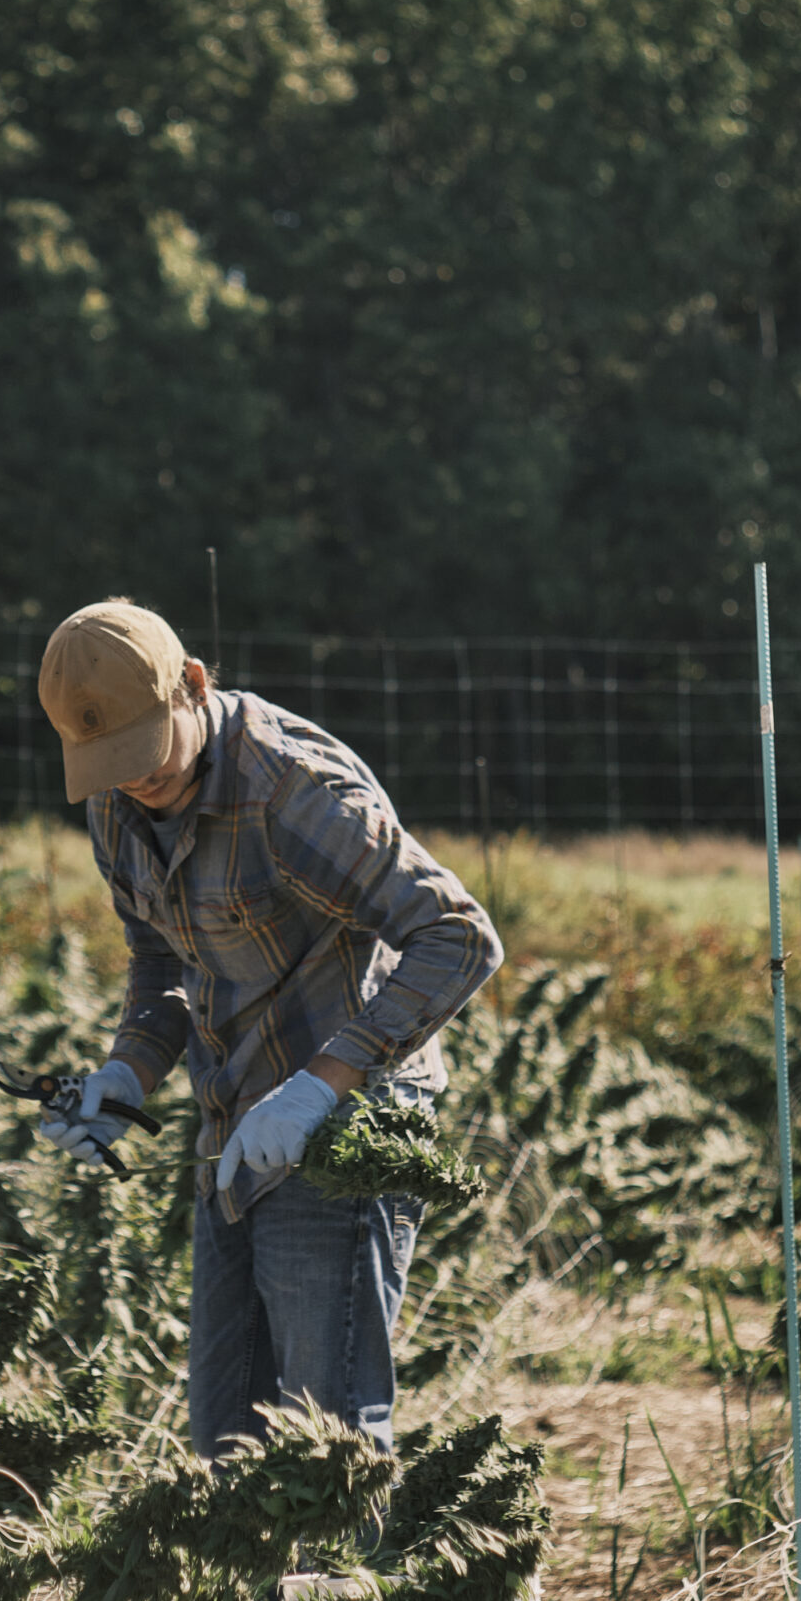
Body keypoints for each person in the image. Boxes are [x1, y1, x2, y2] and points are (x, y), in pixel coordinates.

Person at [35, 598, 502, 1459]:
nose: (134, 778)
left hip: (344, 1124)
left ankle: (356, 1558)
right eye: (108, 763)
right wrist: (127, 1073)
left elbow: (459, 937)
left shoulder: (291, 790)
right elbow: (159, 958)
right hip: (232, 1130)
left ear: (192, 685)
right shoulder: (114, 802)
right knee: (228, 1442)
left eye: (145, 748)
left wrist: (319, 1088)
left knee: (328, 1438)